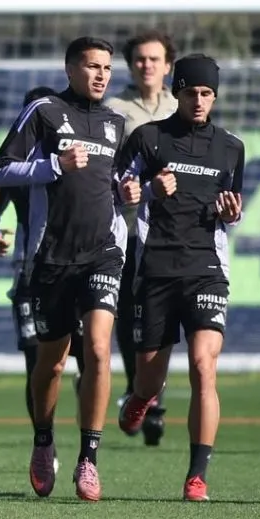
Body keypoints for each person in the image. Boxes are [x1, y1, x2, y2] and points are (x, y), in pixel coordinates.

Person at [0, 36, 140, 502]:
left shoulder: (117, 122)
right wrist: (53, 164)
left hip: (103, 252)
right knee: (51, 362)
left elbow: (119, 181)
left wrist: (131, 191)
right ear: (70, 68)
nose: (101, 75)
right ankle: (43, 439)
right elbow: (2, 169)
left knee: (97, 349)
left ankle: (89, 460)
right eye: (92, 66)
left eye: (107, 68)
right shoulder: (44, 113)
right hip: (51, 256)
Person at [116, 54, 243, 502]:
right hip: (156, 270)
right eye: (191, 93)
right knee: (151, 380)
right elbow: (119, 190)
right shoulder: (148, 138)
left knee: (203, 368)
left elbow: (232, 209)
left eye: (207, 94)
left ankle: (196, 476)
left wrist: (233, 214)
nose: (199, 101)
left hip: (207, 270)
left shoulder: (230, 147)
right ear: (178, 91)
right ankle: (138, 399)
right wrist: (146, 189)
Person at [0, 86, 85, 472]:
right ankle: (46, 441)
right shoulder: (16, 169)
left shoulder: (75, 160)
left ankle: (88, 448)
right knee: (37, 359)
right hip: (29, 272)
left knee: (89, 358)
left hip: (77, 267)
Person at [104, 30, 179, 446]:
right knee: (129, 315)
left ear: (168, 65)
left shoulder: (181, 107)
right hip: (130, 229)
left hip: (173, 231)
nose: (146, 65)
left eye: (154, 59)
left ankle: (153, 398)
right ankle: (140, 392)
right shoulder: (115, 110)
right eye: (139, 59)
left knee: (164, 315)